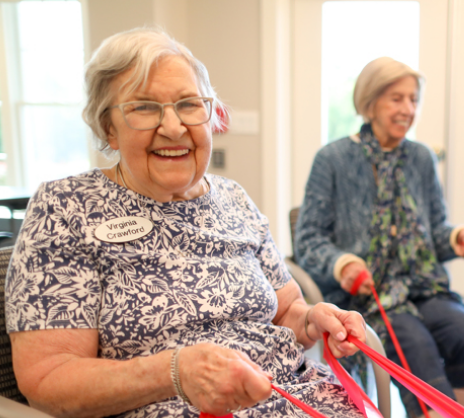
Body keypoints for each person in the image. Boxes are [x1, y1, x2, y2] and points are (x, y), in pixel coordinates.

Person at [5, 28, 368, 418]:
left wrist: (313, 319)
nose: (174, 127)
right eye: (144, 107)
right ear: (107, 127)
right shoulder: (67, 209)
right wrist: (173, 372)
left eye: (189, 105)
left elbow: (285, 312)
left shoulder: (233, 199)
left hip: (302, 397)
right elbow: (47, 379)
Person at [294, 57, 464, 418]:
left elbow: (434, 232)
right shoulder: (332, 159)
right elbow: (308, 241)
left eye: (413, 99)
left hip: (422, 287)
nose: (408, 109)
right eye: (396, 98)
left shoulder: (422, 158)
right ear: (370, 102)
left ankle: (454, 413)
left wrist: (456, 237)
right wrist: (343, 264)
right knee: (416, 346)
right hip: (368, 296)